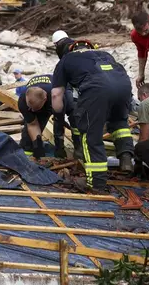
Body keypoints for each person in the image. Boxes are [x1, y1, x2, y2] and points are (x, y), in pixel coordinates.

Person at [51, 40, 135, 193]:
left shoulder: (66, 60)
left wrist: (58, 115)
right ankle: (126, 158)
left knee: (90, 134)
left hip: (96, 88)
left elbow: (56, 94)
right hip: (123, 86)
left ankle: (97, 183)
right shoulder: (105, 54)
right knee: (119, 122)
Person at [18, 74, 80, 159]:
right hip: (45, 101)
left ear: (45, 99)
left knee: (75, 115)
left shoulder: (57, 97)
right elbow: (32, 124)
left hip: (62, 91)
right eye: (30, 108)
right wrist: (37, 145)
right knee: (27, 139)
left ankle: (79, 147)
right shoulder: (22, 102)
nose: (31, 111)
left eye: (35, 108)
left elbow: (59, 123)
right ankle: (28, 158)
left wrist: (59, 147)